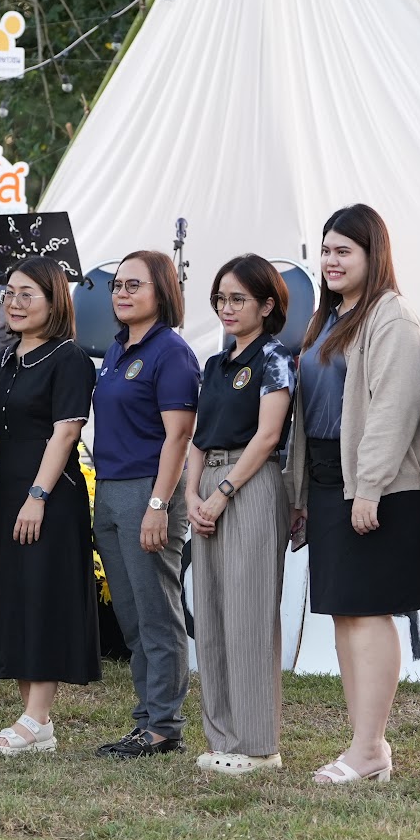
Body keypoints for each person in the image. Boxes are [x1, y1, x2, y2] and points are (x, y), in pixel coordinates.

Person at [293, 204, 420, 785]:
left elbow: (392, 412)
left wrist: (368, 489)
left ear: (374, 255)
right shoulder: (328, 317)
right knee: (345, 614)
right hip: (330, 481)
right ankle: (363, 745)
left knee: (369, 613)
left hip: (377, 487)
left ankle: (371, 747)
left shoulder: (391, 318)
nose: (331, 261)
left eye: (343, 251)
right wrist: (302, 492)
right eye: (326, 250)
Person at [0, 255, 99, 755]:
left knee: (43, 601)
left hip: (49, 497)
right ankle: (35, 722)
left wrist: (37, 496)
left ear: (55, 302)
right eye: (9, 293)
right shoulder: (6, 357)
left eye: (27, 294)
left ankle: (36, 716)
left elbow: (65, 433)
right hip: (6, 494)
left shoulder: (69, 358)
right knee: (16, 601)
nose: (15, 302)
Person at [185, 255, 296, 775]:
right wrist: (191, 494)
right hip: (208, 484)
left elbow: (268, 435)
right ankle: (222, 737)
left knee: (249, 614)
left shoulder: (275, 359)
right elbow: (198, 438)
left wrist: (224, 492)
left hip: (249, 486)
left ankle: (258, 746)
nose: (226, 308)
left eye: (238, 299)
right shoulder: (214, 365)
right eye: (220, 299)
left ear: (267, 305)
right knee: (210, 614)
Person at [91, 249, 199, 759]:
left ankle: (164, 726)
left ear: (163, 291)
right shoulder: (116, 350)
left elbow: (179, 437)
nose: (122, 293)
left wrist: (158, 504)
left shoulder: (171, 352)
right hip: (110, 489)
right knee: (132, 616)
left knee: (157, 612)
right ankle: (146, 718)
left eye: (134, 285)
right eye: (117, 285)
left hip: (148, 491)